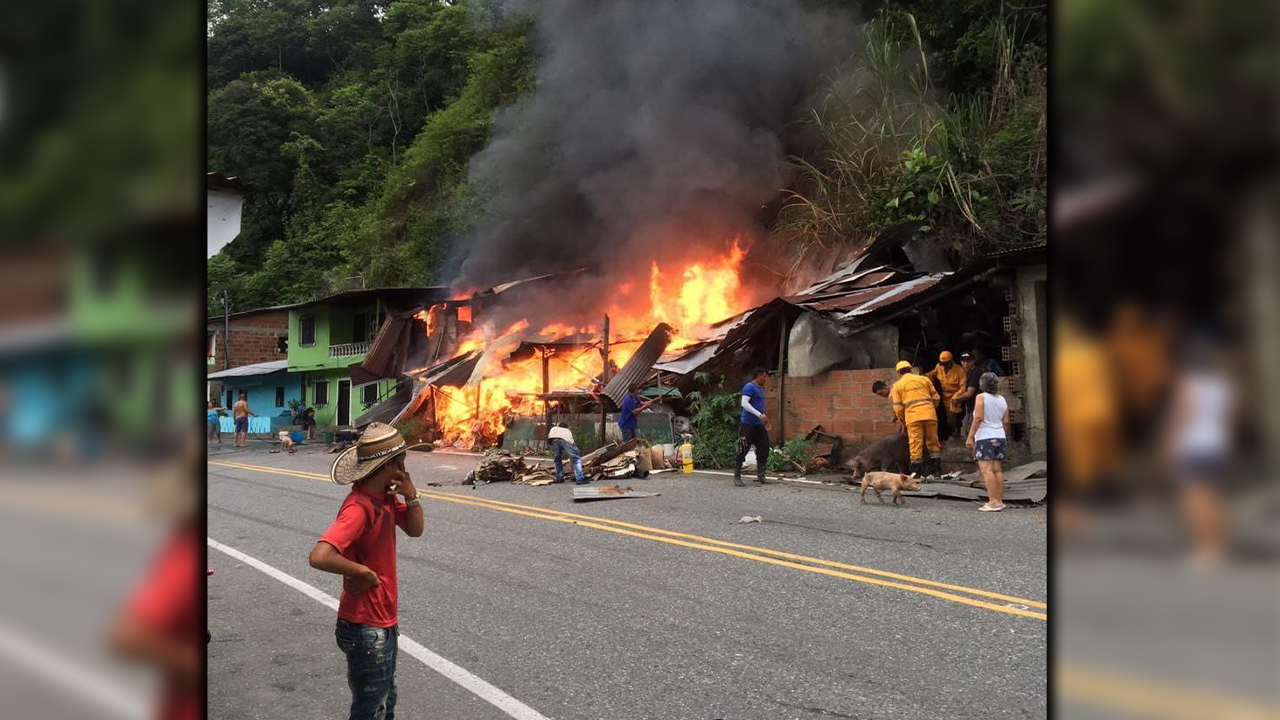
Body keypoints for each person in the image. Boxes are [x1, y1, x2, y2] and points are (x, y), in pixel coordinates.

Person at [309, 423, 426, 720]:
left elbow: (415, 530)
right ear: (388, 465)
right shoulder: (360, 508)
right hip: (366, 627)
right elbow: (320, 555)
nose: (404, 466)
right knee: (370, 709)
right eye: (401, 460)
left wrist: (411, 496)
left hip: (379, 623)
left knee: (384, 701)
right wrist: (364, 573)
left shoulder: (384, 498)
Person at [1165, 339, 1235, 565]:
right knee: (1214, 498)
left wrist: (1170, 444)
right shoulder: (1224, 387)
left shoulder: (1188, 385)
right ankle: (1218, 547)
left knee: (1195, 499)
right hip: (1218, 446)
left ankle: (1205, 550)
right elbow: (1229, 420)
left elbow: (1181, 417)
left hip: (1194, 446)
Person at [966, 372, 1010, 512]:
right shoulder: (1002, 399)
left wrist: (970, 436)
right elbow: (1006, 421)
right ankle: (999, 500)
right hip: (1000, 437)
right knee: (997, 469)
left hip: (985, 437)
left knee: (987, 470)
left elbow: (978, 417)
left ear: (982, 385)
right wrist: (1001, 435)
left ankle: (992, 502)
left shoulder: (981, 397)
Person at [890, 360, 942, 477]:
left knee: (915, 444)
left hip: (913, 418)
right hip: (930, 415)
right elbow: (936, 398)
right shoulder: (924, 379)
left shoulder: (898, 386)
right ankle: (936, 470)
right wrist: (930, 409)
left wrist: (903, 420)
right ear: (911, 369)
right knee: (933, 441)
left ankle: (917, 473)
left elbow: (898, 408)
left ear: (899, 373)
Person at [733, 368, 770, 487]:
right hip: (748, 424)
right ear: (759, 376)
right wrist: (759, 415)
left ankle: (761, 475)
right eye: (764, 376)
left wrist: (764, 419)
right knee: (742, 449)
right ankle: (737, 477)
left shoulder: (759, 389)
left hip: (759, 425)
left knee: (764, 448)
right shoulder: (749, 387)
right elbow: (744, 404)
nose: (766, 379)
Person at [926, 351, 967, 440]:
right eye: (942, 364)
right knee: (949, 419)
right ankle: (952, 431)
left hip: (956, 397)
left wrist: (956, 397)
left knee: (956, 415)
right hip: (945, 398)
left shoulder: (959, 371)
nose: (944, 366)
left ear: (951, 362)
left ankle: (957, 432)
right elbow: (932, 374)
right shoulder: (939, 367)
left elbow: (963, 387)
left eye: (946, 364)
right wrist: (923, 378)